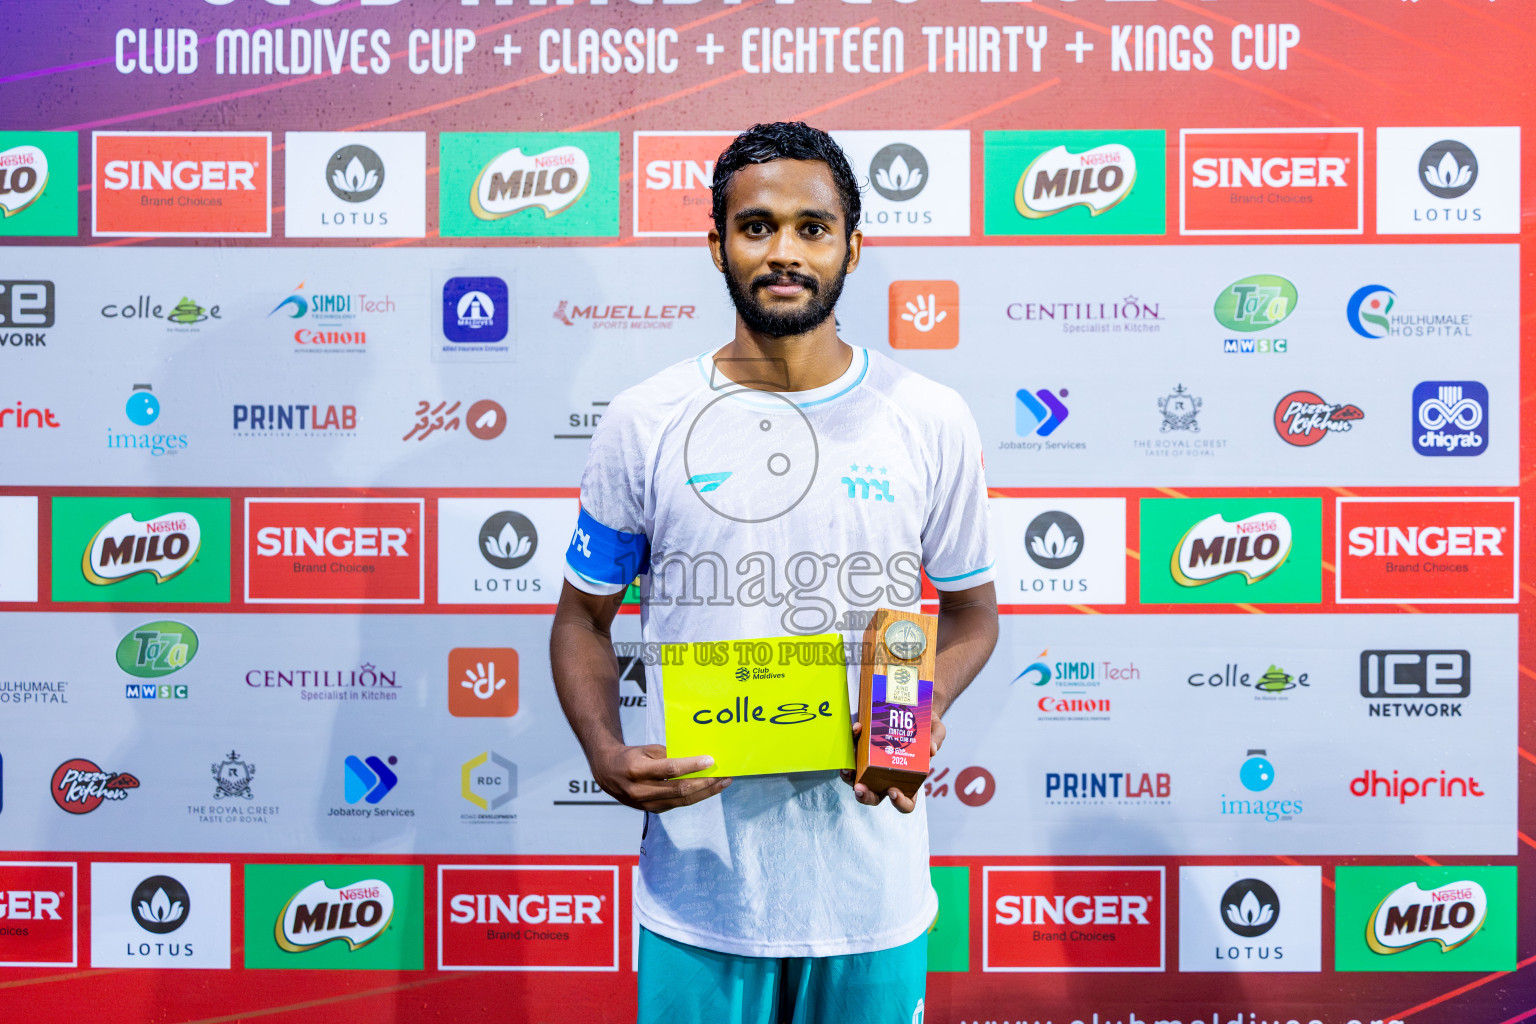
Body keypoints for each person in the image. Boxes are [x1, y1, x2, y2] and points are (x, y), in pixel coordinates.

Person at [550, 122, 999, 1024]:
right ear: (716, 245)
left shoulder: (930, 418)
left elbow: (971, 618)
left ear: (854, 246)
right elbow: (581, 621)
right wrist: (604, 752)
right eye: (756, 227)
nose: (784, 251)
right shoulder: (646, 420)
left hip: (871, 894)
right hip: (701, 896)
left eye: (812, 227)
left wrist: (916, 709)